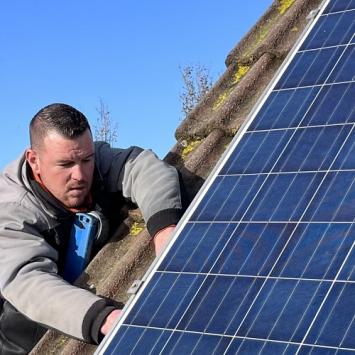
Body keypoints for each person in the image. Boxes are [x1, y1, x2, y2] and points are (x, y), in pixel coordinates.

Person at [0, 103, 184, 354]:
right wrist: (103, 318)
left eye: (86, 159)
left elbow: (143, 167)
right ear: (34, 160)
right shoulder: (10, 211)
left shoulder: (94, 160)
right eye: (65, 164)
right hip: (24, 340)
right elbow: (28, 282)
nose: (80, 175)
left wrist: (166, 231)